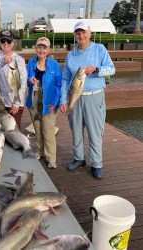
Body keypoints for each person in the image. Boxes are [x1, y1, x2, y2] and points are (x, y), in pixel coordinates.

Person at [59, 21, 115, 179]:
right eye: (78, 33)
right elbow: (65, 79)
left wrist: (96, 69)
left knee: (95, 132)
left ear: (90, 33)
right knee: (76, 131)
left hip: (94, 97)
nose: (81, 35)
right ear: (75, 35)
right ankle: (79, 158)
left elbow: (112, 68)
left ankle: (96, 164)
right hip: (75, 98)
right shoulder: (71, 55)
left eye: (83, 32)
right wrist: (64, 100)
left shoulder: (100, 49)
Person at [26, 37, 62, 169]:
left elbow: (59, 85)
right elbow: (25, 79)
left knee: (48, 131)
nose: (41, 50)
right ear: (36, 48)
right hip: (33, 102)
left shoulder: (54, 65)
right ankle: (39, 151)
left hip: (49, 105)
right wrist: (29, 80)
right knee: (37, 129)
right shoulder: (30, 62)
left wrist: (55, 102)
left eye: (44, 47)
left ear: (48, 49)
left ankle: (51, 157)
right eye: (39, 47)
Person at [0, 30, 27, 129]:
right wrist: (2, 62)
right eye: (3, 41)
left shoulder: (20, 60)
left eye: (8, 41)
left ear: (13, 43)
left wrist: (16, 104)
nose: (6, 43)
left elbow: (23, 83)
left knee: (13, 131)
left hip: (14, 104)